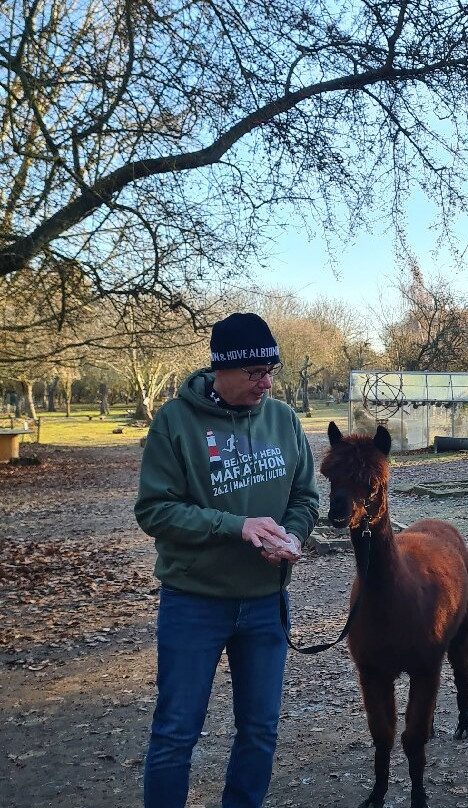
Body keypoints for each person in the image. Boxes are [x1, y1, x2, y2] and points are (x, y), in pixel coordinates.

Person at [135, 312, 320, 808]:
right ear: (222, 368)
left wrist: (293, 536)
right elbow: (154, 510)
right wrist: (235, 526)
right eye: (254, 373)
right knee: (177, 732)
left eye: (271, 371)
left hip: (265, 604)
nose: (265, 383)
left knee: (260, 730)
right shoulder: (176, 422)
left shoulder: (282, 420)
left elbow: (305, 497)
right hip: (194, 602)